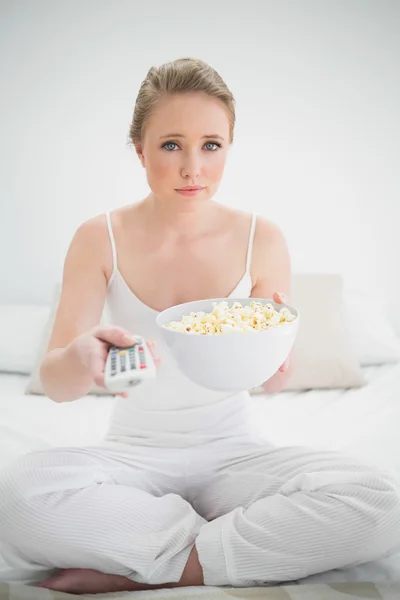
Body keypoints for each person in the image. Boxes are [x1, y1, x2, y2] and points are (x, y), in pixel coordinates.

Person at [1, 57, 400, 595]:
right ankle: (227, 548)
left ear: (228, 148)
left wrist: (274, 355)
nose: (194, 168)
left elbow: (273, 383)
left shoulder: (264, 237)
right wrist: (80, 359)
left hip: (235, 451)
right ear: (140, 151)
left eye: (211, 145)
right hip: (132, 453)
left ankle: (156, 566)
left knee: (379, 502)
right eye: (171, 145)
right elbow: (55, 384)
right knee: (18, 495)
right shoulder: (100, 237)